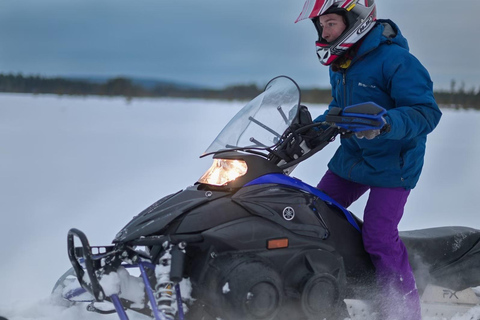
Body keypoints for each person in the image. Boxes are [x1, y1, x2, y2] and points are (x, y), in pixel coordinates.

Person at [295, 1, 442, 319]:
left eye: (330, 23)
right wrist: (310, 130)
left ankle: (403, 310)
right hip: (353, 157)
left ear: (355, 20)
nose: (324, 31)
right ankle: (319, 292)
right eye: (321, 25)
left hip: (394, 162)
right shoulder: (344, 62)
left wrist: (385, 122)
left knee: (378, 235)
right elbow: (341, 108)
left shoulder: (397, 60)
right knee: (314, 218)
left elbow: (425, 113)